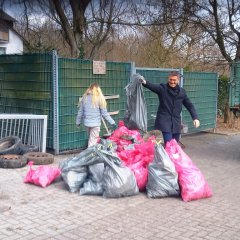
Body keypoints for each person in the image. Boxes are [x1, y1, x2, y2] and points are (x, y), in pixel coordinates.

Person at [140, 71, 200, 144]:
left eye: (174, 80)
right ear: (168, 79)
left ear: (178, 80)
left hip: (176, 122)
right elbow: (152, 86)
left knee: (174, 144)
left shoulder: (182, 92)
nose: (172, 82)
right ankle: (166, 154)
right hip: (164, 121)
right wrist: (144, 82)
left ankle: (170, 155)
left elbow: (189, 105)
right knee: (168, 143)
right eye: (170, 79)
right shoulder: (162, 89)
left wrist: (195, 118)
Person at [76, 83, 117, 147]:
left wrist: (78, 122)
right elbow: (105, 114)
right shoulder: (99, 98)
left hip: (87, 124)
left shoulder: (85, 98)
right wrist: (112, 122)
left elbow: (80, 112)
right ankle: (90, 155)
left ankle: (92, 153)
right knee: (92, 142)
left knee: (91, 138)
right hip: (95, 124)